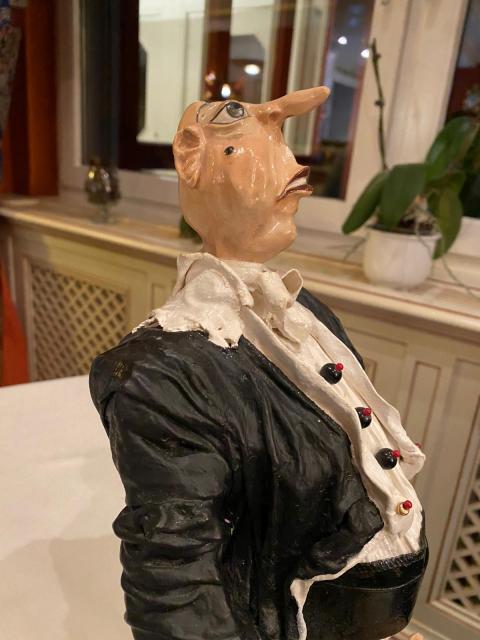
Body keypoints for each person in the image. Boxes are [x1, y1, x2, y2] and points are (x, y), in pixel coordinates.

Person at [90, 87, 428, 640]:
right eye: (257, 148)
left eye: (285, 146)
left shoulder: (303, 309)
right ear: (191, 157)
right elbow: (174, 580)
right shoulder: (158, 373)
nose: (294, 168)